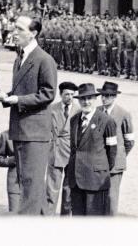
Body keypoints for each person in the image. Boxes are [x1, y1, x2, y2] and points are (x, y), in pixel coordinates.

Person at [0, 15, 57, 215]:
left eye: (20, 29)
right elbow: (22, 90)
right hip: (21, 128)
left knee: (31, 185)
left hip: (34, 132)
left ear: (33, 34)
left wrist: (19, 100)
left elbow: (48, 93)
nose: (14, 33)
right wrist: (8, 97)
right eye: (14, 28)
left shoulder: (44, 59)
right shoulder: (20, 58)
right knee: (26, 183)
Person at [66, 83, 117, 215]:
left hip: (95, 181)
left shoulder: (106, 121)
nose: (86, 102)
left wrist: (99, 170)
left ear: (95, 99)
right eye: (82, 99)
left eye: (89, 98)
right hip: (76, 181)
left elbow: (112, 152)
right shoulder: (74, 120)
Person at [97, 81, 135, 215]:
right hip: (98, 162)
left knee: (111, 198)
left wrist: (119, 154)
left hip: (115, 164)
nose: (103, 98)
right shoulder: (97, 111)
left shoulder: (123, 114)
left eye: (107, 96)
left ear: (114, 97)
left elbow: (129, 141)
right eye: (102, 95)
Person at [46, 82, 80, 215]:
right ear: (60, 95)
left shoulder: (78, 110)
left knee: (69, 190)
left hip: (71, 154)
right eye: (67, 94)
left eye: (72, 94)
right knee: (51, 189)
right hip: (55, 151)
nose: (70, 97)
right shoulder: (51, 108)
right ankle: (47, 218)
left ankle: (65, 219)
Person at [0, 130, 20, 213]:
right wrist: (12, 160)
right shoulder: (5, 135)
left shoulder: (33, 134)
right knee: (14, 215)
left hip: (32, 183)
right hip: (14, 184)